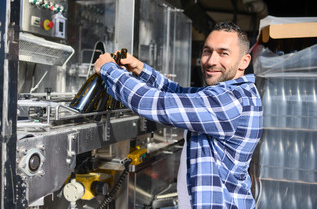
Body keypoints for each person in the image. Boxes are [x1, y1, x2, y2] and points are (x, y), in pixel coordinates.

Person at [94, 21, 263, 208]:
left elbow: (155, 103)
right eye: (207, 51)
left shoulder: (230, 101)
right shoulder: (233, 93)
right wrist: (140, 69)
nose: (211, 61)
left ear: (244, 61)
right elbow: (179, 93)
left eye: (223, 53)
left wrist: (109, 69)